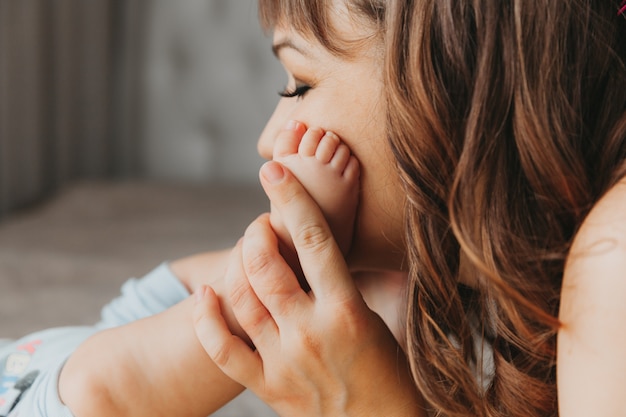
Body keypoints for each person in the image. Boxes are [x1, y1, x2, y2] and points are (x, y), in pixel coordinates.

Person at [189, 1, 626, 416]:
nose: (267, 141)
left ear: (462, 85)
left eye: (299, 85)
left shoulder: (615, 250)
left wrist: (369, 406)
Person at [0, 123, 374, 416]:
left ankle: (322, 267)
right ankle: (286, 262)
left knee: (176, 286)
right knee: (93, 387)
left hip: (53, 350)